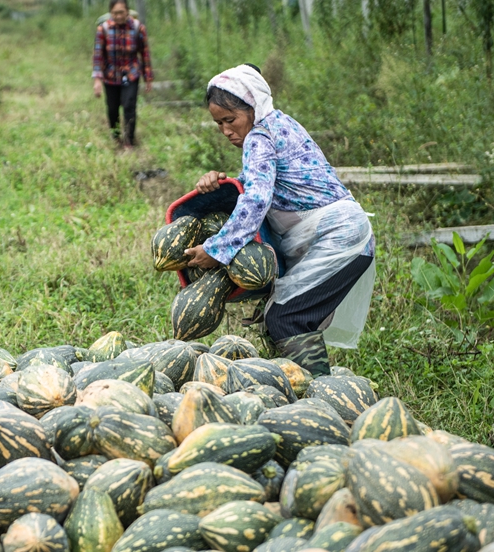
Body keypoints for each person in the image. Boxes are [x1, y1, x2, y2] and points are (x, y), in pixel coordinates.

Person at [184, 64, 376, 377]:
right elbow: (259, 184)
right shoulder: (280, 124)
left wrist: (217, 249)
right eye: (218, 124)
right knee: (286, 316)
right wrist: (223, 181)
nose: (226, 131)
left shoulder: (259, 138)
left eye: (230, 120)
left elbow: (257, 199)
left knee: (287, 317)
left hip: (338, 236)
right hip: (348, 233)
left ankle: (319, 397)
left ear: (253, 107)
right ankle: (305, 393)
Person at [91, 0, 153, 149]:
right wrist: (97, 80)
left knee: (129, 106)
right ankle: (116, 136)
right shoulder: (104, 29)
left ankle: (129, 141)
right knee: (112, 108)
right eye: (114, 13)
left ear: (127, 12)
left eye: (121, 12)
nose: (118, 16)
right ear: (110, 14)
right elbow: (98, 55)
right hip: (110, 75)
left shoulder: (138, 28)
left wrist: (148, 77)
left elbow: (144, 53)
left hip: (131, 73)